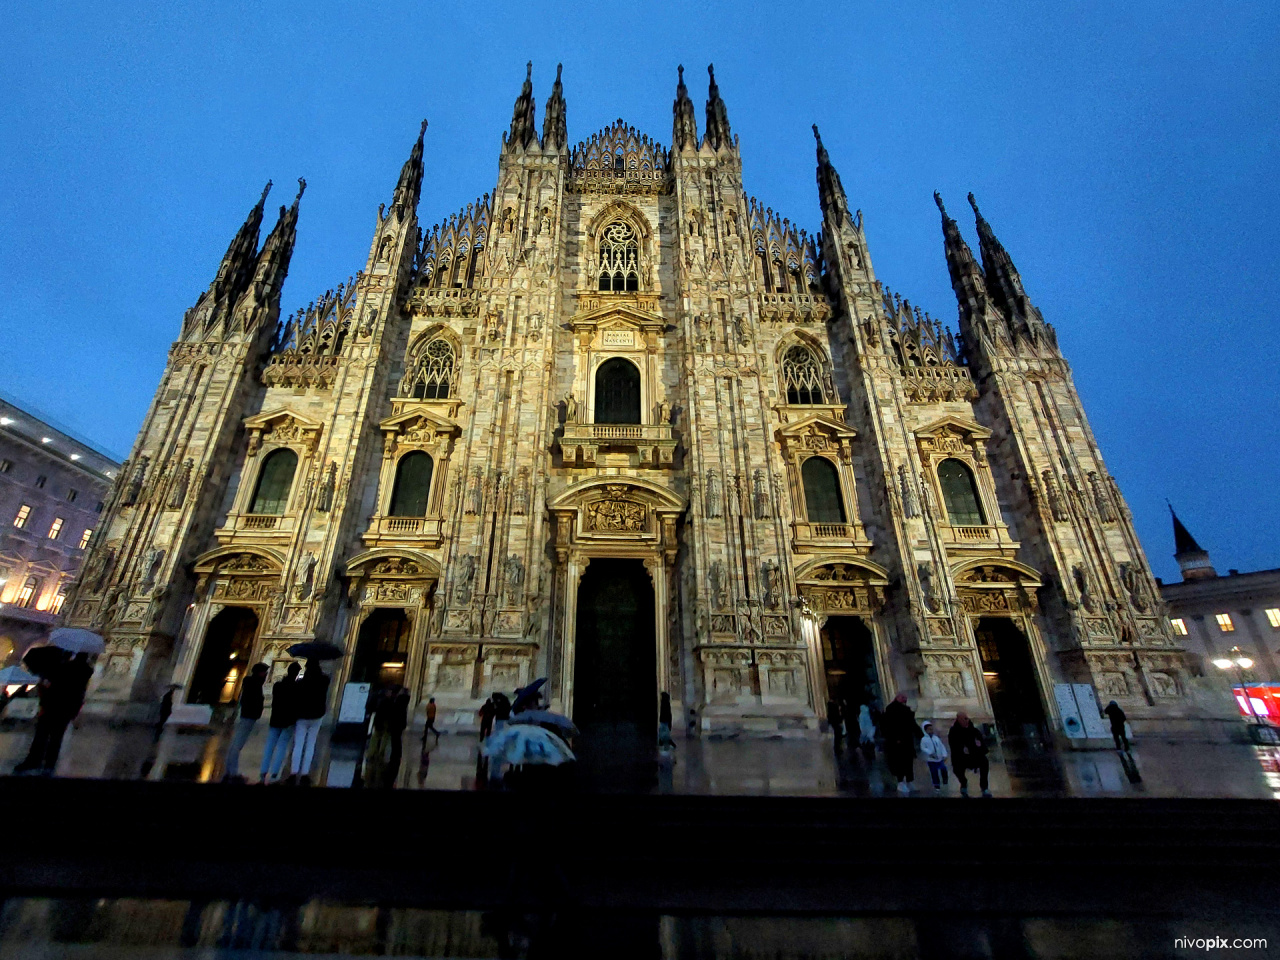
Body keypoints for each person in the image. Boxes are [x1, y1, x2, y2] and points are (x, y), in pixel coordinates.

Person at [15, 651, 93, 776]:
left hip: (52, 706)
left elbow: (54, 684)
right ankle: (49, 764)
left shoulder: (65, 668)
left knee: (42, 735)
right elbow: (79, 693)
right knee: (56, 738)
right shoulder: (86, 671)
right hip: (67, 709)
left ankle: (34, 761)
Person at [223, 663, 268, 782]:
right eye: (264, 672)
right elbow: (253, 700)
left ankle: (230, 771)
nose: (266, 675)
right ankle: (232, 773)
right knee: (237, 745)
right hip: (248, 716)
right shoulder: (254, 684)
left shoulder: (251, 682)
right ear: (260, 673)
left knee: (235, 744)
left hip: (247, 715)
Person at [290, 658, 330, 785]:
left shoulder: (301, 682)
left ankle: (294, 772)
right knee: (310, 745)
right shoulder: (324, 680)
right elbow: (327, 680)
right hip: (316, 715)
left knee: (298, 744)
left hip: (302, 716)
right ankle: (305, 774)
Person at [260, 662, 300, 784]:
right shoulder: (296, 687)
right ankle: (275, 773)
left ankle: (263, 771)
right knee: (282, 747)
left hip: (275, 719)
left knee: (269, 745)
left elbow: (275, 701)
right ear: (297, 673)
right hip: (288, 721)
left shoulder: (277, 685)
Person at [881, 692, 921, 795]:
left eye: (905, 698)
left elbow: (912, 723)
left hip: (907, 739)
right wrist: (894, 738)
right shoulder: (891, 709)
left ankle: (909, 781)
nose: (905, 699)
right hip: (897, 741)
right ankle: (900, 782)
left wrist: (920, 734)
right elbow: (888, 726)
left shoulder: (905, 709)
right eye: (903, 698)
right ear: (897, 697)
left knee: (908, 761)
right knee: (899, 762)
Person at [948, 712, 991, 797]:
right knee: (957, 768)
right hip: (961, 757)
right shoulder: (954, 731)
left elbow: (980, 742)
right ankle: (963, 782)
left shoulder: (974, 730)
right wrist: (962, 749)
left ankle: (984, 787)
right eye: (964, 719)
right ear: (959, 720)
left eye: (967, 718)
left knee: (984, 762)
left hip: (974, 755)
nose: (966, 720)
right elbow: (953, 745)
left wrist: (979, 746)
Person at [919, 719, 949, 791]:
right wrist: (930, 753)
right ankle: (936, 785)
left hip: (939, 758)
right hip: (931, 760)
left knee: (943, 769)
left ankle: (945, 781)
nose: (931, 731)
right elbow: (923, 748)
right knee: (934, 773)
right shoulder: (924, 739)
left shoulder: (936, 738)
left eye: (931, 729)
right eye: (929, 729)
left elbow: (941, 746)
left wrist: (944, 754)